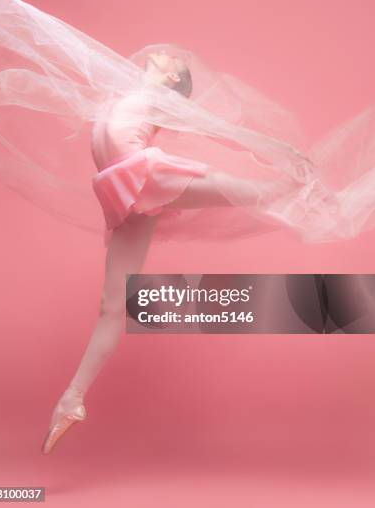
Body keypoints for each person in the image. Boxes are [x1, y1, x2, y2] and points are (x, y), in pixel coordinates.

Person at [40, 52, 316, 454]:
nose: (160, 52)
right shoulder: (123, 91)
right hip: (129, 192)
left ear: (171, 78)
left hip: (145, 173)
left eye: (170, 57)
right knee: (110, 304)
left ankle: (307, 190)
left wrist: (281, 150)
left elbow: (221, 131)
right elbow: (66, 56)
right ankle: (72, 398)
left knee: (238, 190)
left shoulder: (159, 98)